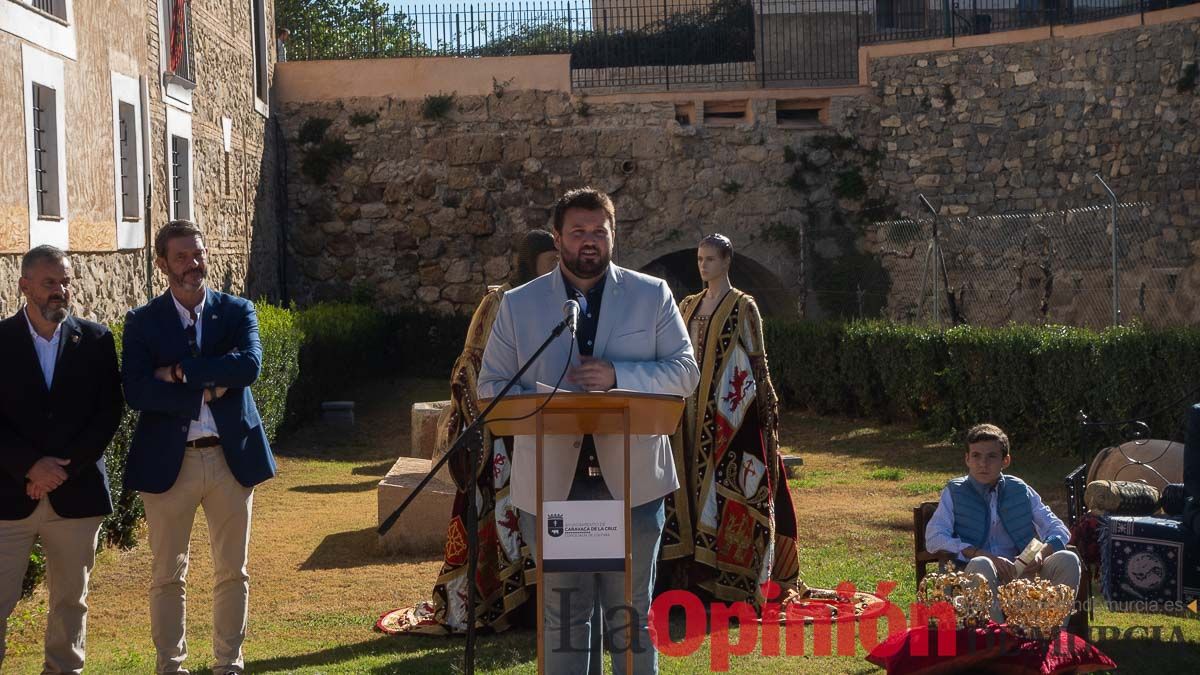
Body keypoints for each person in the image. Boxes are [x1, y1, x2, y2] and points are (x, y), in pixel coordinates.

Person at [478, 187, 699, 674]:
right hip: (554, 488)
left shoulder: (652, 294)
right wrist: (544, 400)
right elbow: (490, 387)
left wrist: (619, 375)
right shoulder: (520, 306)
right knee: (564, 620)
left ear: (613, 235)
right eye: (578, 232)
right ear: (557, 238)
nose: (590, 241)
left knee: (630, 617)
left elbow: (686, 372)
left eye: (600, 231)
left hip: (634, 486)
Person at [380, 229, 558, 635]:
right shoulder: (497, 303)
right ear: (530, 263)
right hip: (501, 434)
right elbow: (469, 367)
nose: (556, 271)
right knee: (504, 516)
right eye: (549, 263)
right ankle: (503, 603)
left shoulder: (556, 304)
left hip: (545, 431)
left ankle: (538, 603)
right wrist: (489, 416)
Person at [122, 221, 276, 675]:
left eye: (199, 254)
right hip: (171, 464)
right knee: (168, 574)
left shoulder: (236, 311)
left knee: (233, 571)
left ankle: (228, 663)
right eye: (183, 256)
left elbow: (248, 366)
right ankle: (171, 665)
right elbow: (136, 391)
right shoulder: (143, 322)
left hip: (231, 459)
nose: (194, 264)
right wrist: (206, 387)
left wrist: (178, 372)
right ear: (162, 263)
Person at [0, 246, 123, 673]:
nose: (60, 291)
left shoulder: (96, 340)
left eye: (66, 281)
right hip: (8, 497)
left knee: (70, 603)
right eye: (50, 282)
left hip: (77, 495)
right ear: (24, 285)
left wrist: (57, 471)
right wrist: (29, 467)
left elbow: (109, 412)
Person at [664, 234, 805, 605]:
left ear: (726, 261)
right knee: (686, 493)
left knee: (726, 490)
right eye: (699, 258)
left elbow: (758, 362)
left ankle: (730, 575)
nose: (703, 265)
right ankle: (688, 574)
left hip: (729, 421)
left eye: (710, 258)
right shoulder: (688, 305)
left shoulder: (744, 306)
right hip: (687, 420)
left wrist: (765, 413)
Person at [925, 423, 1081, 624]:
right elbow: (934, 538)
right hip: (972, 571)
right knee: (983, 564)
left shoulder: (1020, 489)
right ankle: (998, 643)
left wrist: (1041, 554)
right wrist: (978, 553)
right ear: (967, 459)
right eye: (976, 456)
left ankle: (1050, 638)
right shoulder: (954, 491)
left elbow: (1059, 529)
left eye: (991, 456)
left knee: (1068, 559)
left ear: (1005, 460)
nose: (983, 463)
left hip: (1021, 573)